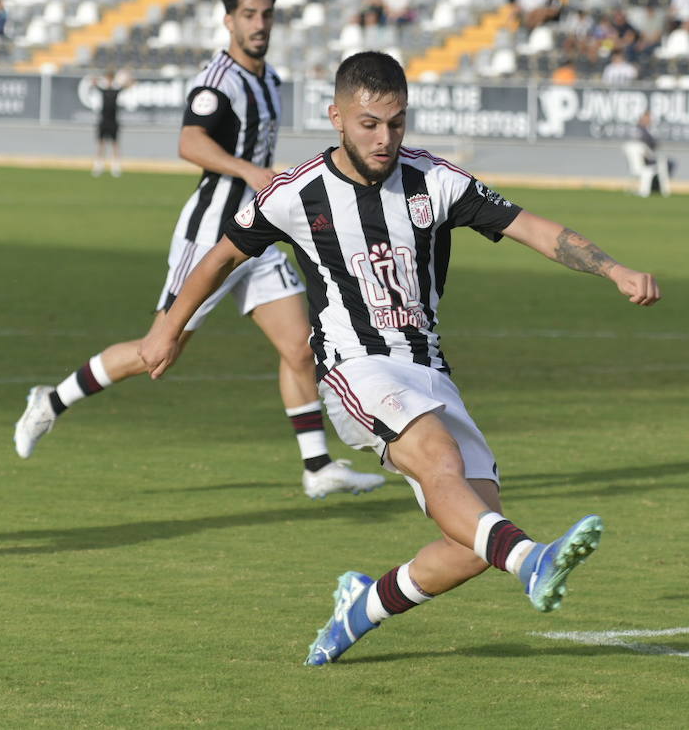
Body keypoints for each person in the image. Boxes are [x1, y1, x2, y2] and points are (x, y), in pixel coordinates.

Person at [138, 51, 660, 664]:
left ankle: (360, 607)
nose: (384, 138)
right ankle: (532, 558)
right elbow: (223, 254)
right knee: (443, 464)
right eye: (369, 124)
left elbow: (533, 228)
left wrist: (613, 268)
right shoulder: (296, 193)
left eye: (396, 122)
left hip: (428, 369)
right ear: (337, 117)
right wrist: (169, 326)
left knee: (470, 539)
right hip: (352, 366)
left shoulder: (435, 181)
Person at [11, 0, 385, 501]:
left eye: (267, 14)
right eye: (249, 15)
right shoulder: (219, 80)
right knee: (155, 354)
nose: (259, 24)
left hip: (257, 237)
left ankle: (318, 467)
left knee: (302, 348)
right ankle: (50, 402)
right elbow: (189, 142)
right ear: (229, 20)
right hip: (210, 236)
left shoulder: (269, 78)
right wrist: (249, 172)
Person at [89, 69, 130, 177]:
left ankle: (115, 166)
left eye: (111, 78)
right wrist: (95, 79)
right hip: (103, 121)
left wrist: (127, 76)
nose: (109, 80)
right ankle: (98, 165)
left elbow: (127, 85)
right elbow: (93, 84)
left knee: (115, 144)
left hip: (113, 121)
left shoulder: (116, 90)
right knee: (101, 144)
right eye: (108, 78)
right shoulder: (103, 90)